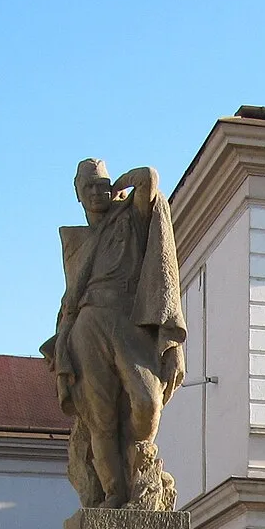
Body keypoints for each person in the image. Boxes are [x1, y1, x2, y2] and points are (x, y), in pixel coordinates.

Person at [41, 159, 187, 509]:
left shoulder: (131, 218)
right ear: (77, 195)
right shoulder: (75, 240)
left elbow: (149, 178)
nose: (96, 192)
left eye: (101, 185)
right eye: (88, 187)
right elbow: (71, 295)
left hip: (128, 319)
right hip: (88, 323)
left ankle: (137, 463)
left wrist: (118, 184)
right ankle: (113, 493)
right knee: (99, 416)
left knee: (148, 402)